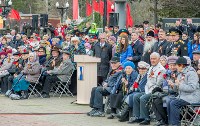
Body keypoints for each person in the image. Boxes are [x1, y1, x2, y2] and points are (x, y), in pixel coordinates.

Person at [131, 52, 166, 125]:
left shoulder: (161, 70)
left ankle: (146, 118)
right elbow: (148, 82)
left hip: (155, 91)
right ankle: (137, 116)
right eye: (151, 59)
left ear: (159, 59)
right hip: (148, 90)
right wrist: (146, 91)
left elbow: (158, 84)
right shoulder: (151, 68)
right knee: (136, 96)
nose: (152, 60)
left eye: (154, 59)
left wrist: (148, 92)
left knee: (143, 98)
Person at [167, 57, 200, 125]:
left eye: (176, 65)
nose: (175, 67)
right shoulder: (180, 73)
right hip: (183, 96)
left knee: (174, 103)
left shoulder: (191, 73)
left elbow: (192, 88)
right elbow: (178, 89)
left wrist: (179, 84)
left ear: (181, 65)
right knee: (169, 101)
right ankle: (171, 123)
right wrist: (173, 85)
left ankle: (175, 124)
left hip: (192, 97)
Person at [151, 56, 178, 126]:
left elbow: (177, 88)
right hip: (167, 93)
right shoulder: (167, 73)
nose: (172, 67)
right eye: (170, 65)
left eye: (174, 65)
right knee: (154, 100)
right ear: (168, 65)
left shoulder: (178, 74)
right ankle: (161, 120)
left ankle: (168, 120)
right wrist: (161, 90)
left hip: (175, 94)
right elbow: (163, 85)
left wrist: (166, 91)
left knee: (165, 101)